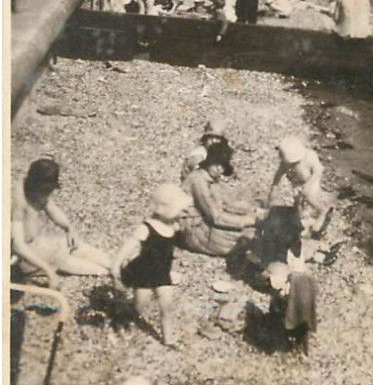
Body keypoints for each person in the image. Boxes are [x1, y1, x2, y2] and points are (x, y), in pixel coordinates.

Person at [112, 184, 192, 346]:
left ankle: (168, 338)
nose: (181, 214)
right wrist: (116, 265)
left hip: (162, 272)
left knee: (167, 305)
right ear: (165, 209)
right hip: (144, 273)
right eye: (179, 210)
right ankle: (121, 321)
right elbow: (128, 246)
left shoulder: (173, 226)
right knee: (140, 305)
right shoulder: (146, 228)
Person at [11, 158, 111, 286]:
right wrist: (49, 273)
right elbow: (18, 246)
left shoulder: (38, 190)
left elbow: (52, 209)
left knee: (73, 244)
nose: (48, 193)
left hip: (37, 243)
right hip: (23, 257)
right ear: (34, 184)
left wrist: (69, 228)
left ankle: (115, 265)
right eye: (46, 190)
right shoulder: (17, 200)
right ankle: (108, 272)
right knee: (63, 259)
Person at [177, 143, 259, 257]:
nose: (220, 169)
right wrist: (249, 221)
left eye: (223, 166)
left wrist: (255, 211)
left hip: (204, 223)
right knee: (244, 239)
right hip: (193, 229)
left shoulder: (211, 179)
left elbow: (227, 203)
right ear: (209, 162)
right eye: (217, 163)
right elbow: (216, 217)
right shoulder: (198, 180)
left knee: (252, 233)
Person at [267, 135, 332, 236]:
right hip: (297, 182)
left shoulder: (310, 157)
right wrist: (273, 189)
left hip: (311, 180)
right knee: (297, 200)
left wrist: (308, 184)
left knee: (307, 195)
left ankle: (322, 210)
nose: (292, 166)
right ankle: (300, 215)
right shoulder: (285, 163)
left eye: (294, 163)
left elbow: (319, 171)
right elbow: (278, 175)